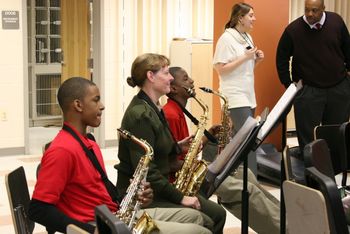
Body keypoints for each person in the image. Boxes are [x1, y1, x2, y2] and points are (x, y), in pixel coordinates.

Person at [28, 77, 212, 234]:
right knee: (199, 231)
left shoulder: (89, 142)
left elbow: (101, 190)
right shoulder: (62, 150)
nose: (102, 106)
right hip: (99, 224)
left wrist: (135, 197)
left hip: (115, 214)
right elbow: (38, 210)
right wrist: (92, 230)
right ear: (78, 105)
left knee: (197, 217)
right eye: (96, 100)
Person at [116, 53, 226, 234]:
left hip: (159, 187)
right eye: (166, 73)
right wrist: (181, 198)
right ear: (151, 76)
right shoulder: (140, 115)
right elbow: (146, 172)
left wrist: (177, 147)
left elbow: (155, 146)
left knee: (217, 213)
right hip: (146, 195)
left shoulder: (153, 106)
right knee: (210, 218)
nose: (171, 78)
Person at [163, 66, 281, 234]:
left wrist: (207, 136)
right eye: (185, 78)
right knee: (245, 191)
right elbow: (171, 161)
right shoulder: (171, 115)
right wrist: (203, 167)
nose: (191, 81)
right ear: (173, 88)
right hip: (182, 180)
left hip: (191, 170)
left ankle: (285, 220)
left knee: (247, 176)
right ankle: (284, 229)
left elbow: (185, 151)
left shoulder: (178, 112)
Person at [276, 0, 350, 154]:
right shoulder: (293, 30)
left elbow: (347, 48)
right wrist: (289, 85)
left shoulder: (336, 21)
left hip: (338, 88)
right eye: (307, 10)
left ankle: (334, 172)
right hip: (309, 91)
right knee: (308, 139)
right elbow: (281, 59)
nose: (310, 14)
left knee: (336, 133)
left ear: (323, 9)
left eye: (314, 10)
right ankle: (311, 173)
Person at [212, 2, 264, 175]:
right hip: (234, 95)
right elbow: (220, 68)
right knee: (249, 138)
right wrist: (245, 57)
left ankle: (232, 175)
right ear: (240, 18)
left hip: (248, 94)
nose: (254, 19)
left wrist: (256, 60)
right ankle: (252, 181)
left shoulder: (248, 37)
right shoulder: (226, 38)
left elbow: (244, 71)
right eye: (251, 15)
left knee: (238, 139)